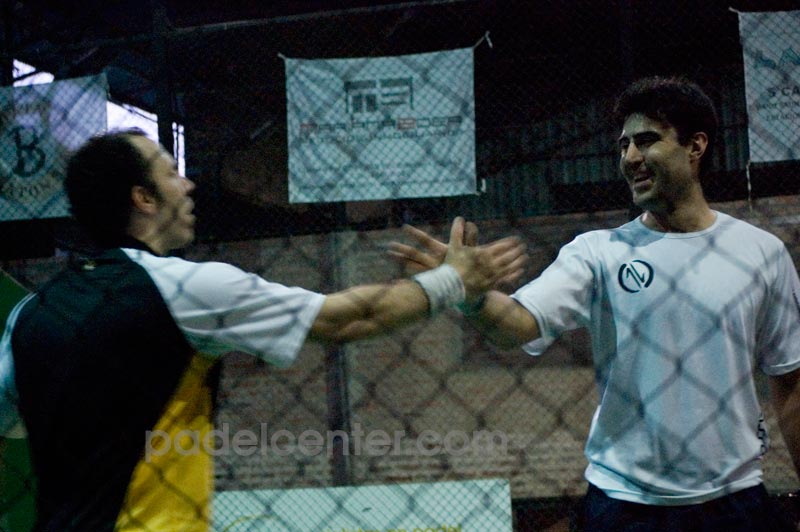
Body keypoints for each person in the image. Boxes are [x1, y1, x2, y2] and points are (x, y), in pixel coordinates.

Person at [0, 128, 526, 532]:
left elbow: (11, 423)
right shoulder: (183, 289)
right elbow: (343, 318)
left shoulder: (30, 314)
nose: (189, 183)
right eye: (171, 172)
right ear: (144, 199)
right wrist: (453, 280)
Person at [389, 76, 800, 531]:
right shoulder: (598, 252)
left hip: (735, 502)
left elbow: (791, 380)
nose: (630, 158)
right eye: (623, 145)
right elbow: (518, 324)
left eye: (647, 141)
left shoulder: (760, 252)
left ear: (695, 146)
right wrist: (468, 296)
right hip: (625, 505)